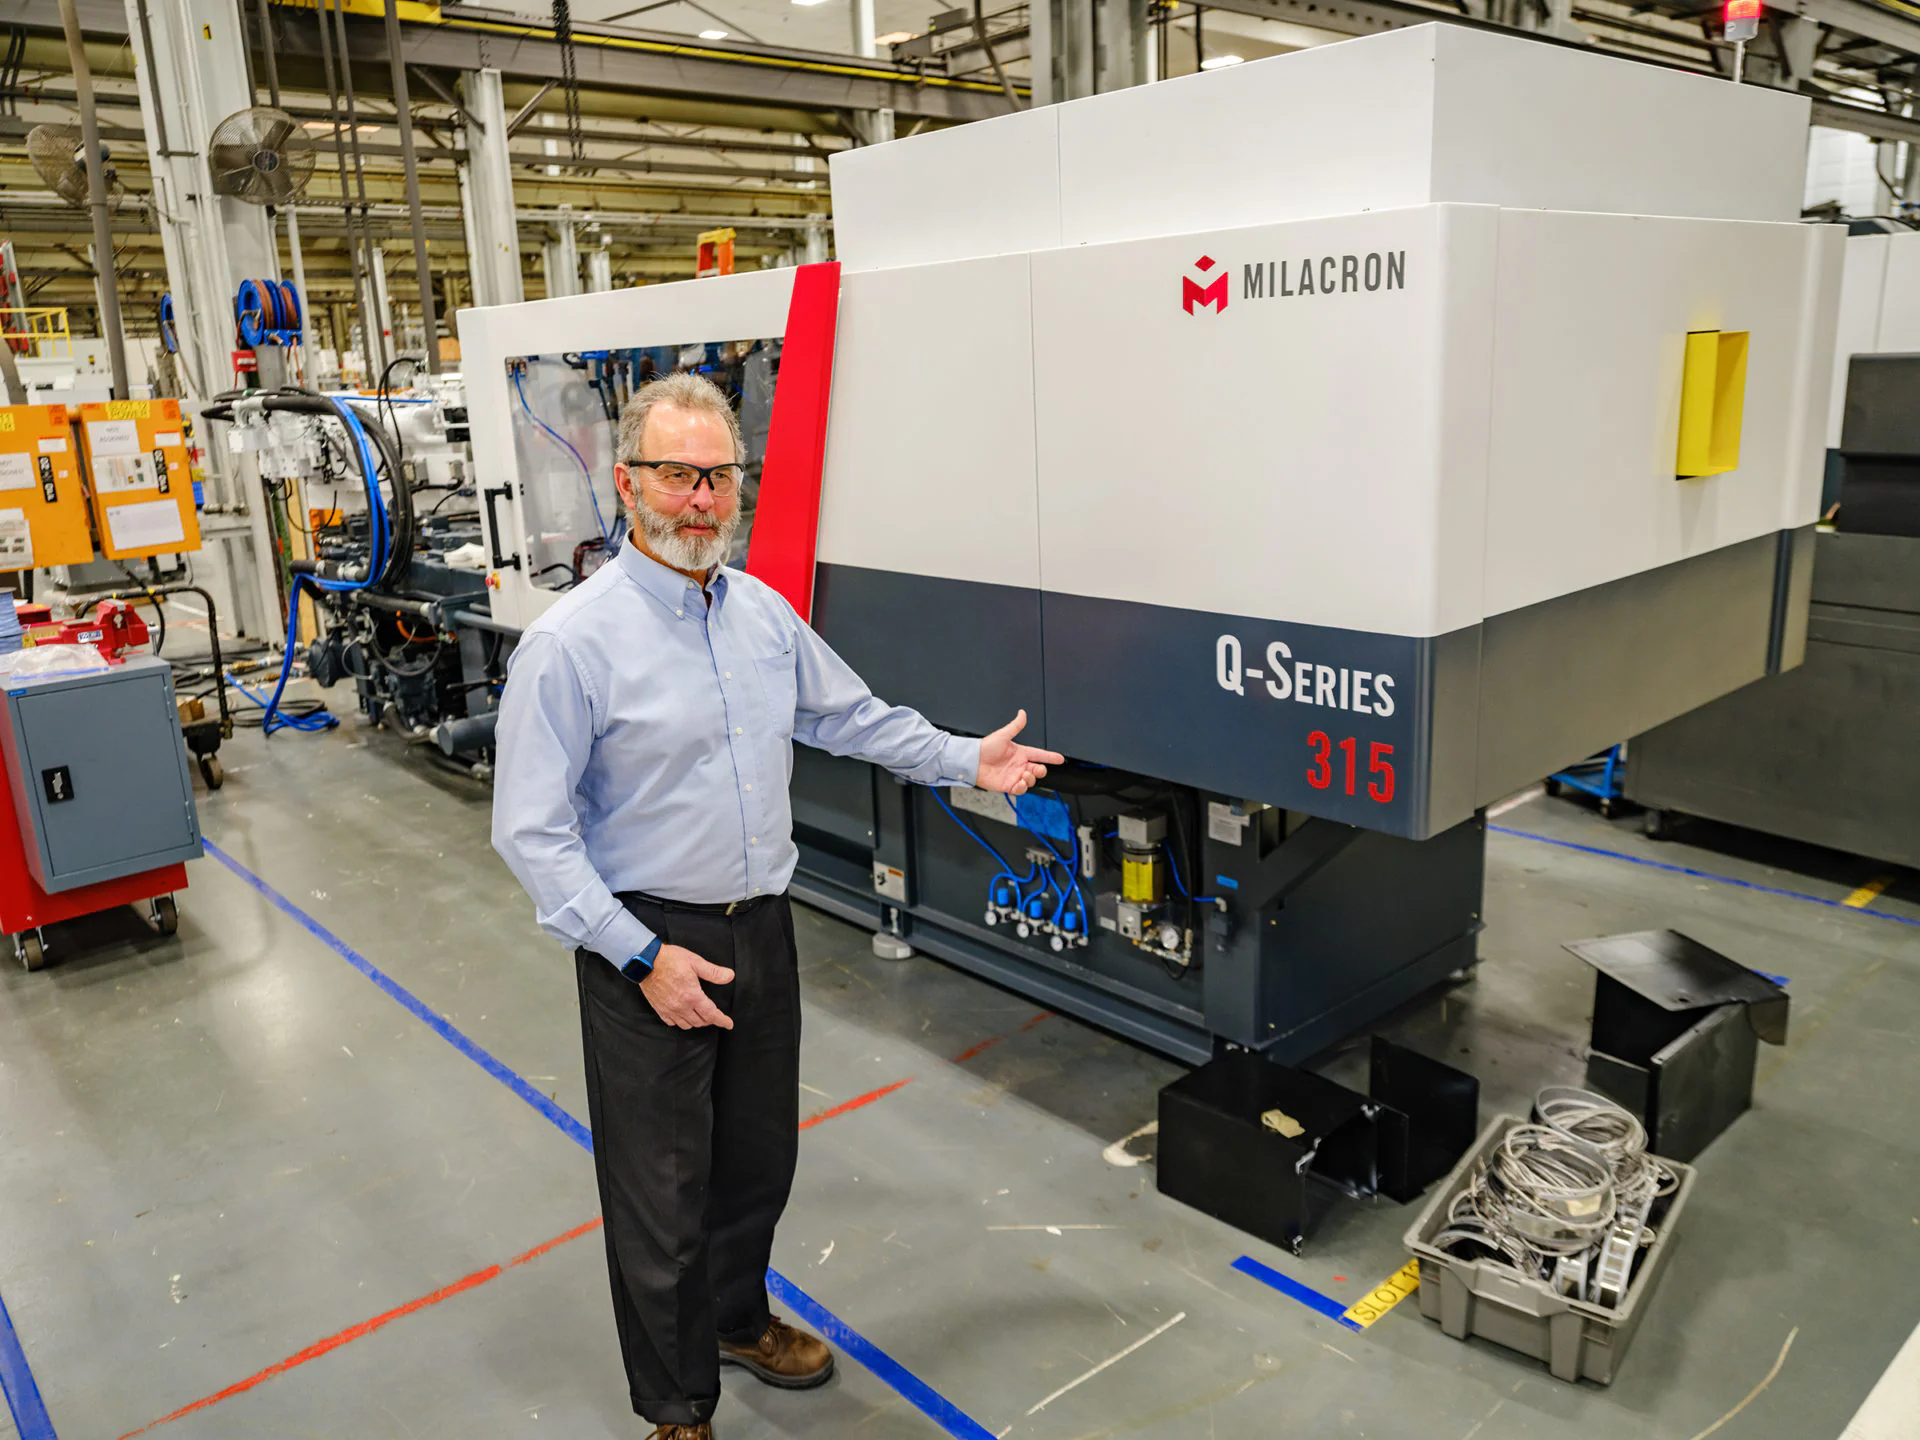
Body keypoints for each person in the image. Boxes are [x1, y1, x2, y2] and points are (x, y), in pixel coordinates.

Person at [492, 372, 1062, 1440]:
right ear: (627, 483)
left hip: (761, 927)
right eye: (678, 475)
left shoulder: (760, 615)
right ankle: (676, 1407)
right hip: (647, 943)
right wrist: (638, 955)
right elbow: (531, 834)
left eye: (721, 476)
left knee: (757, 1159)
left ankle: (737, 1317)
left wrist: (964, 761)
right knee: (661, 1193)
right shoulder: (572, 645)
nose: (702, 498)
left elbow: (851, 720)